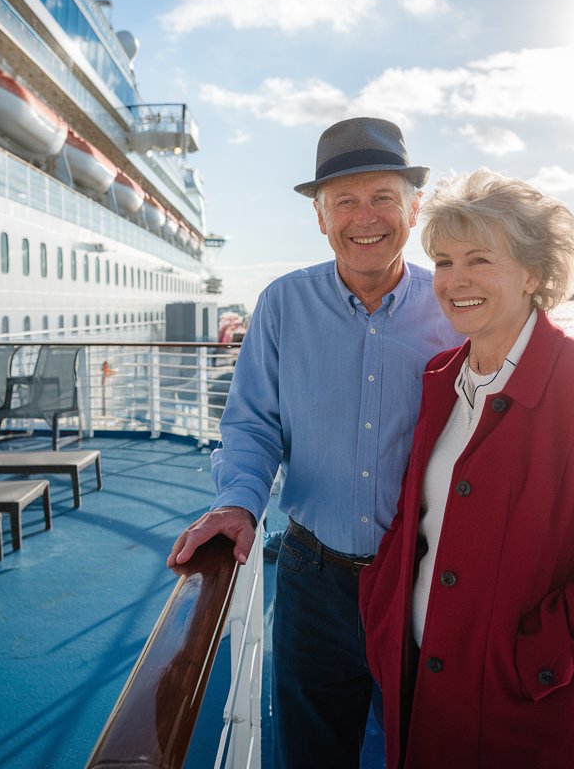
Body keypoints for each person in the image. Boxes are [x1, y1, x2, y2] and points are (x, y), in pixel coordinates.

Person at [359, 169, 574, 768]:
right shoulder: (439, 380)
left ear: (534, 274)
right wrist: (383, 611)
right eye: (445, 261)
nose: (456, 281)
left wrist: (537, 653)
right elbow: (418, 517)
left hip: (523, 714)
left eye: (479, 260)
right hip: (420, 692)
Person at [168, 117, 462, 768]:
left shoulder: (450, 307)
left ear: (414, 206)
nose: (366, 217)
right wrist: (239, 503)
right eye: (345, 201)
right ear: (319, 215)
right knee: (308, 752)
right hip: (311, 576)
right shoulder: (281, 305)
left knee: (416, 751)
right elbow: (252, 424)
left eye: (383, 197)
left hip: (420, 581)